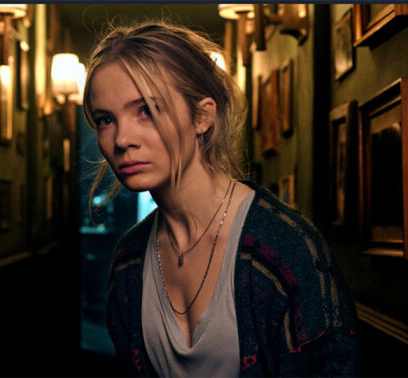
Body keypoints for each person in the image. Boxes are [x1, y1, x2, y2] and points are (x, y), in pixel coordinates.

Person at [83, 21, 360, 377]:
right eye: (106, 119)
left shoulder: (286, 250)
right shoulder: (128, 263)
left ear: (202, 117)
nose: (122, 139)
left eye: (147, 110)